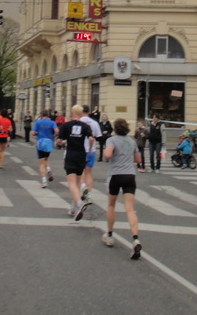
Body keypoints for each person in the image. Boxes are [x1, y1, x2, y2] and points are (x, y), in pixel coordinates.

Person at [102, 118, 142, 259]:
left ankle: (110, 235)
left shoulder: (111, 140)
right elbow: (138, 160)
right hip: (129, 175)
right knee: (130, 209)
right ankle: (135, 239)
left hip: (115, 175)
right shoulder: (131, 142)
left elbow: (107, 154)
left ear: (115, 128)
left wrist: (110, 155)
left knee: (111, 204)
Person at [56, 104, 93, 220]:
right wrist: (90, 149)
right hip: (81, 155)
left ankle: (79, 203)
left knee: (71, 183)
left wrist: (61, 143)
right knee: (77, 183)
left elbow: (59, 140)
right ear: (81, 114)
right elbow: (91, 138)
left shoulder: (66, 125)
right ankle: (72, 208)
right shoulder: (85, 126)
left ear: (72, 113)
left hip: (70, 154)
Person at [80, 104, 102, 201]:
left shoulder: (78, 122)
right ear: (89, 112)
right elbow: (98, 136)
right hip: (91, 150)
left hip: (80, 150)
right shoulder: (94, 123)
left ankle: (83, 189)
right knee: (89, 173)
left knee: (81, 173)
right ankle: (89, 193)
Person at [31, 110, 57, 188]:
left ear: (41, 115)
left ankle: (44, 182)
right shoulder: (52, 122)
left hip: (41, 142)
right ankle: (48, 170)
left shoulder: (38, 122)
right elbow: (57, 131)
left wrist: (36, 133)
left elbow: (32, 133)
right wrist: (53, 136)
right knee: (46, 158)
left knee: (41, 162)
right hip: (49, 142)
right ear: (48, 115)